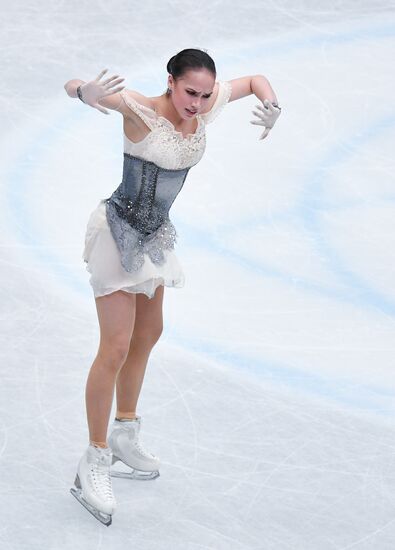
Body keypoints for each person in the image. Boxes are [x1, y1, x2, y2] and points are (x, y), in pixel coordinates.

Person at [64, 47, 281, 525]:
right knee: (116, 345)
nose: (198, 104)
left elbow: (255, 79)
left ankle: (124, 432)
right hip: (117, 233)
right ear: (170, 82)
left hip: (152, 238)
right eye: (190, 93)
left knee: (148, 335)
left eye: (205, 95)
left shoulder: (205, 103)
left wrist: (273, 104)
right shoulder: (143, 110)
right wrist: (86, 93)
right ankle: (93, 458)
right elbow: (76, 85)